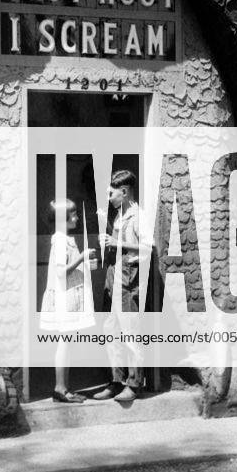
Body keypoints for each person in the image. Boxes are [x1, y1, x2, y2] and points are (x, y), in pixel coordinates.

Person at [93, 169, 145, 402]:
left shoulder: (138, 216)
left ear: (124, 192)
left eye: (111, 193)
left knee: (130, 333)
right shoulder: (119, 215)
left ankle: (134, 385)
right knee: (111, 330)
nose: (108, 196)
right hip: (114, 275)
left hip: (128, 277)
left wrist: (116, 242)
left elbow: (148, 248)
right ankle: (117, 381)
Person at [40, 197, 97, 403]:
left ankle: (63, 387)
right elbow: (61, 271)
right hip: (65, 298)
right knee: (64, 342)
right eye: (73, 214)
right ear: (63, 219)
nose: (77, 217)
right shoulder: (60, 241)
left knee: (68, 342)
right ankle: (60, 388)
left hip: (70, 295)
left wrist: (83, 265)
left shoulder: (65, 239)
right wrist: (81, 257)